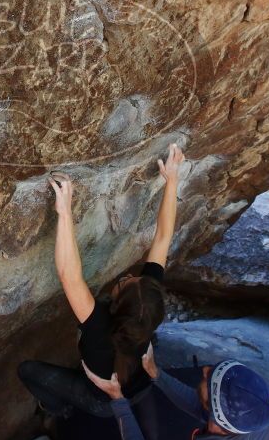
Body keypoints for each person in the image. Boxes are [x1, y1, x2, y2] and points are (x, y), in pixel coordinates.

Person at [17, 143, 185, 422]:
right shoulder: (145, 306)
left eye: (126, 282)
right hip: (142, 384)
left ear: (116, 307)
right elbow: (163, 238)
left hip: (104, 402)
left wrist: (65, 213)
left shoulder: (98, 330)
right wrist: (173, 179)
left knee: (27, 370)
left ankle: (59, 409)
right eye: (134, 278)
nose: (128, 276)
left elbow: (69, 275)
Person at [83, 342, 269, 440]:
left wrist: (118, 399)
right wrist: (157, 374)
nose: (205, 370)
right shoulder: (255, 417)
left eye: (209, 377)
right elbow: (201, 406)